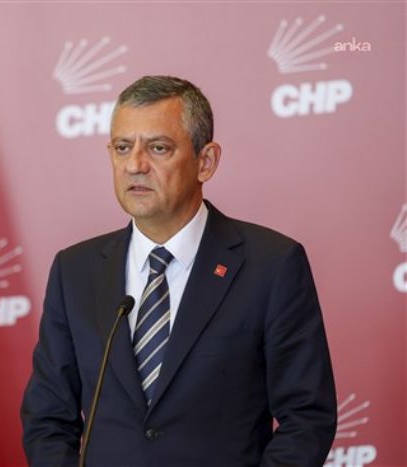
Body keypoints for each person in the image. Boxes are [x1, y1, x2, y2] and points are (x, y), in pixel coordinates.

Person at [21, 76, 337, 466]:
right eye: (123, 147)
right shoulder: (75, 271)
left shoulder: (271, 265)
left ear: (206, 162)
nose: (135, 165)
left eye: (158, 148)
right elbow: (47, 419)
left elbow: (306, 418)